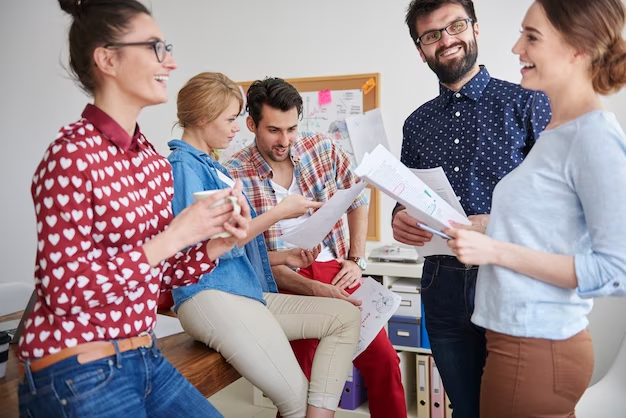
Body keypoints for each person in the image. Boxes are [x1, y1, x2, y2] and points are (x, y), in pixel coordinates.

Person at [18, 1, 250, 417]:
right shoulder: (71, 156)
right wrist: (177, 234)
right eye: (156, 48)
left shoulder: (150, 162)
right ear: (107, 59)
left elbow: (162, 273)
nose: (172, 62)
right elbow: (64, 291)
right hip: (78, 368)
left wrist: (216, 241)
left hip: (144, 355)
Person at [445, 0, 626, 416]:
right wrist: (490, 226)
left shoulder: (593, 138)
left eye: (532, 37)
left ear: (577, 48)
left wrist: (496, 251)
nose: (515, 48)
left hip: (536, 348)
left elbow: (615, 270)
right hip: (518, 343)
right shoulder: (556, 132)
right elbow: (553, 224)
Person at [167, 72, 362, 418]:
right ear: (201, 118)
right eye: (229, 119)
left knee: (345, 317)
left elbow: (236, 247)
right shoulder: (184, 166)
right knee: (294, 399)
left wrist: (284, 256)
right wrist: (279, 213)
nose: (234, 128)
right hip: (212, 295)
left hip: (243, 291)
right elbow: (216, 248)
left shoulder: (210, 166)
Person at [392, 1, 551, 417]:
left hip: (510, 275)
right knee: (466, 409)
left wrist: (495, 224)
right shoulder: (416, 123)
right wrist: (399, 220)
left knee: (515, 409)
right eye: (431, 35)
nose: (446, 40)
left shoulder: (529, 103)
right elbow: (405, 196)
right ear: (420, 49)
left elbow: (560, 205)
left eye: (455, 26)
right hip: (440, 282)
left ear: (475, 28)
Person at [225, 77, 407, 418]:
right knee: (303, 381)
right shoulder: (234, 174)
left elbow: (359, 197)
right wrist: (313, 289)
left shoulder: (320, 148)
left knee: (384, 360)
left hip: (335, 269)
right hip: (282, 280)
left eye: (292, 129)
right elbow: (247, 256)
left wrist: (356, 259)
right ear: (251, 124)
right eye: (274, 131)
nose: (285, 141)